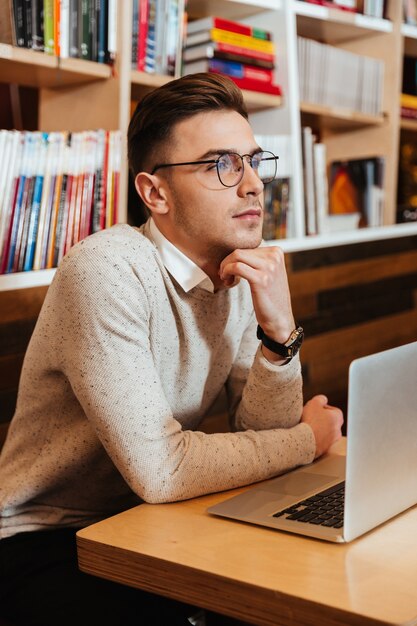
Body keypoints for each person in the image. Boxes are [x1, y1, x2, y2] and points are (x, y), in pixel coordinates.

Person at [0, 72, 343, 626]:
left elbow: (258, 427)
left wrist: (279, 334)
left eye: (254, 161)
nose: (254, 183)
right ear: (154, 192)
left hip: (155, 522)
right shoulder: (106, 268)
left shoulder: (233, 272)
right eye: (222, 165)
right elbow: (162, 469)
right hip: (45, 539)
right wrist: (307, 441)